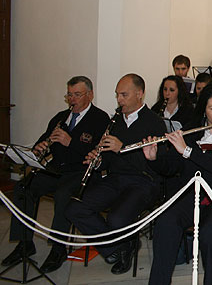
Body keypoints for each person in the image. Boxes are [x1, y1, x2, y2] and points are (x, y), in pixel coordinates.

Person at [2, 77, 110, 273]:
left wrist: (71, 142)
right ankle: (24, 244)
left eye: (77, 95)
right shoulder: (61, 117)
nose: (72, 99)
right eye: (69, 95)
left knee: (63, 195)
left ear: (90, 95)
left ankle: (59, 248)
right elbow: (42, 140)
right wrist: (38, 150)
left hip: (81, 171)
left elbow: (98, 155)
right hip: (57, 169)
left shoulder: (100, 119)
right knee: (23, 187)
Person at [145, 85, 212, 284]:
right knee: (166, 222)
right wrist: (154, 158)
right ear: (203, 110)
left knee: (211, 232)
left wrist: (188, 151)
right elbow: (173, 167)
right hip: (193, 194)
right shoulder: (192, 131)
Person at [65, 74, 166, 275]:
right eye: (117, 95)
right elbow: (110, 159)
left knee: (116, 219)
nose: (119, 100)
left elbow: (156, 165)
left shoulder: (154, 122)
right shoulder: (116, 121)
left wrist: (122, 148)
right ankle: (119, 248)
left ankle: (122, 245)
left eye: (124, 95)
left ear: (139, 94)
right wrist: (99, 159)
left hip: (144, 181)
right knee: (75, 209)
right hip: (115, 178)